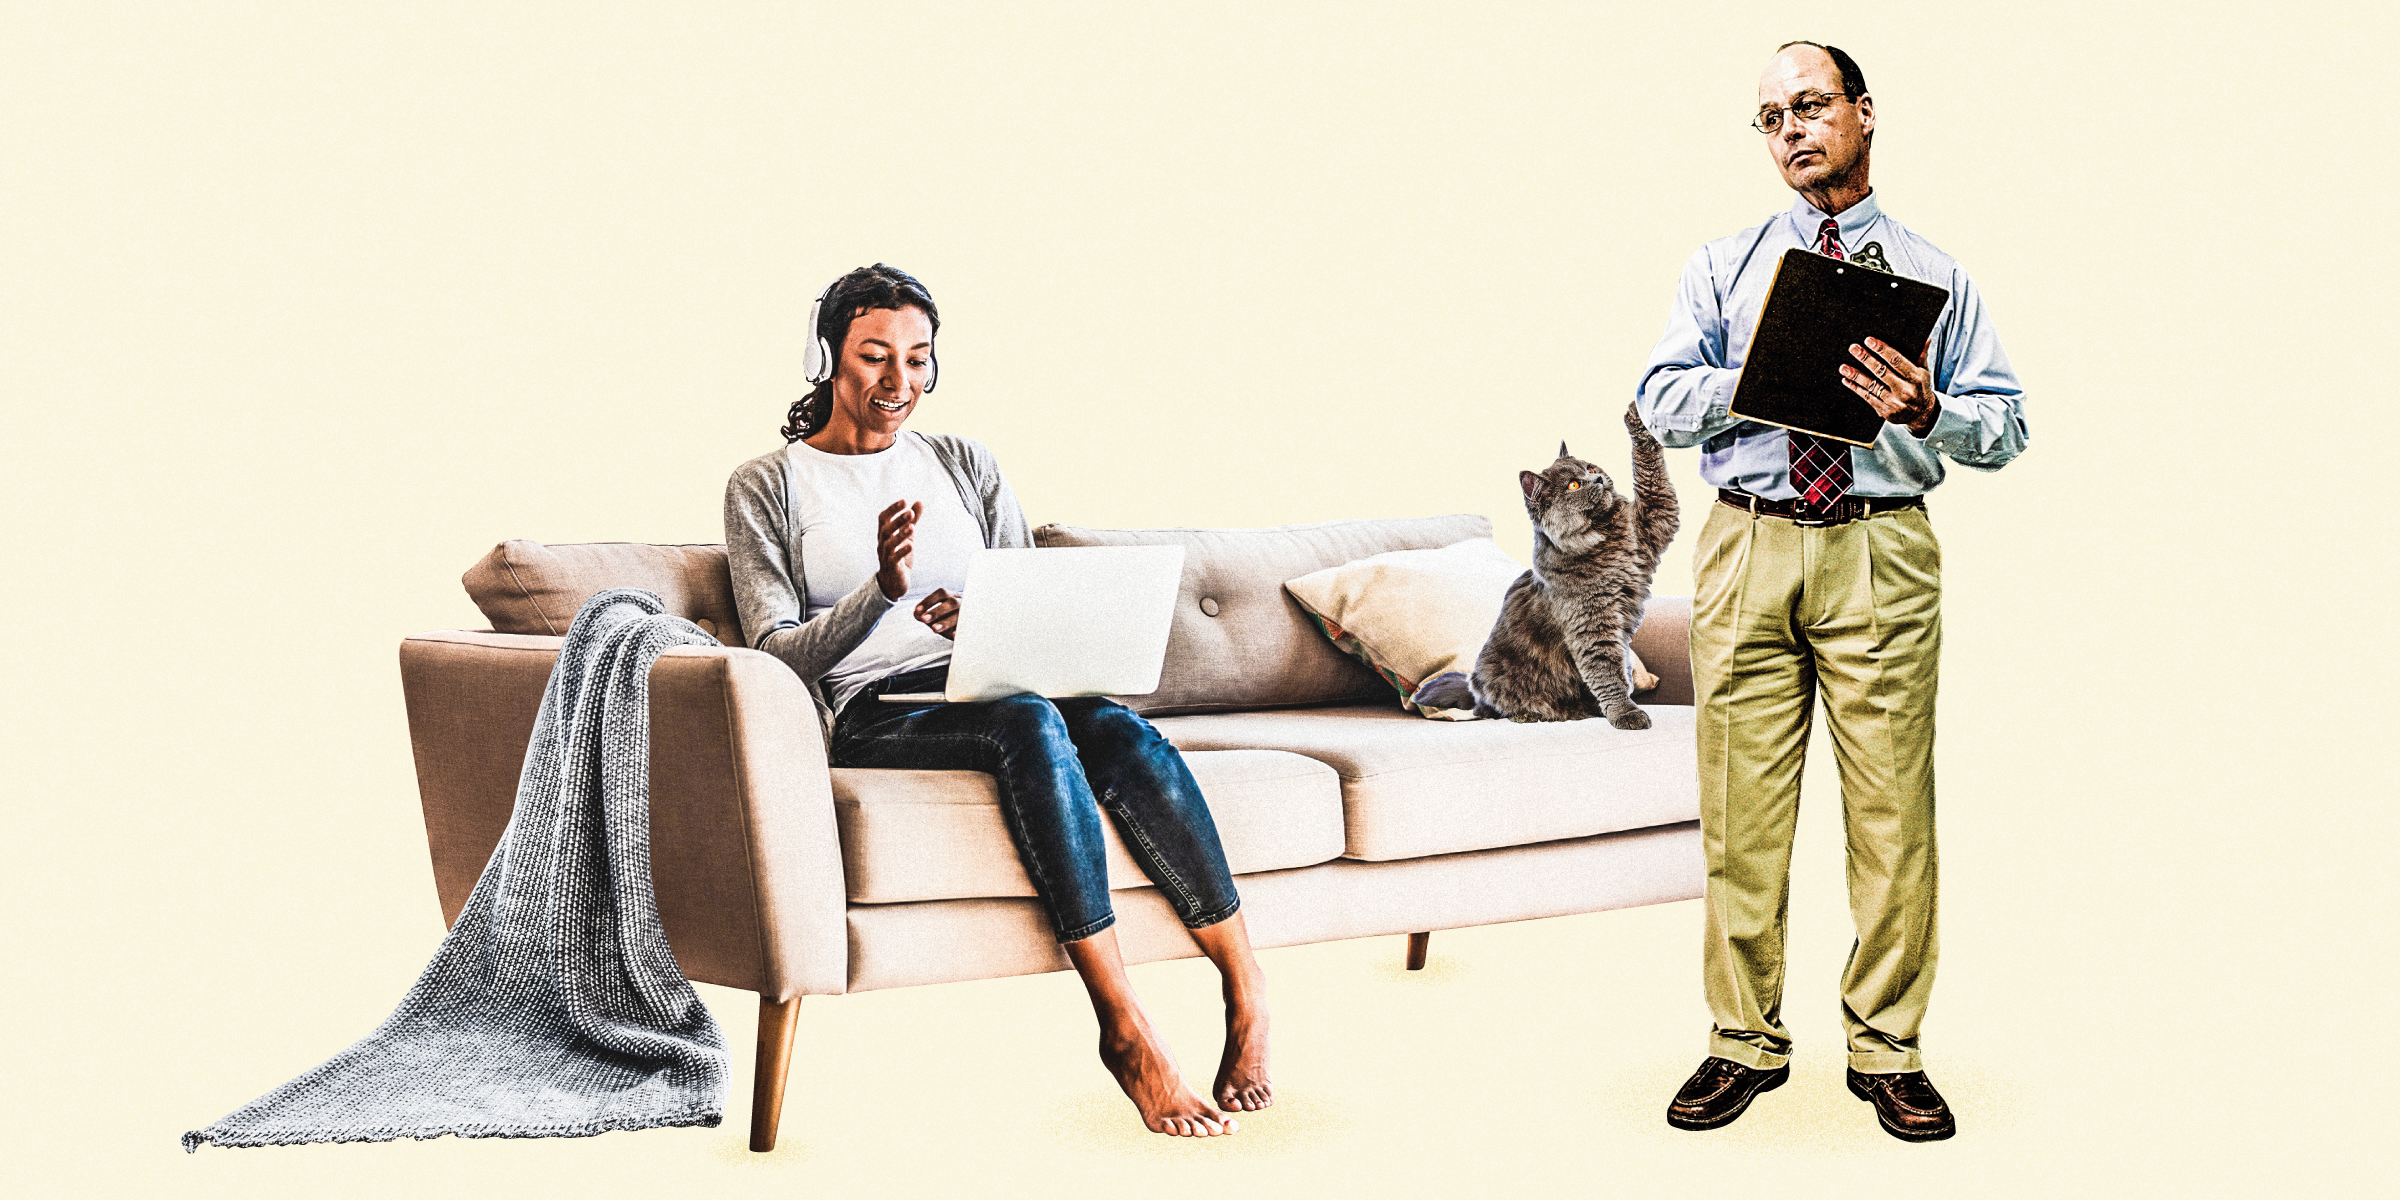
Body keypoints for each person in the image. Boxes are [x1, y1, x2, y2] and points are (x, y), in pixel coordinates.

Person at [722, 264, 1271, 1137]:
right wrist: (881, 589)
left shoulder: (961, 463)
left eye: (918, 359)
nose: (899, 383)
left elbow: (1031, 595)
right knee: (1029, 720)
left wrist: (977, 622)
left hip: (984, 679)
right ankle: (1124, 1024)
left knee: (1115, 728)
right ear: (825, 358)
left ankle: (1246, 993)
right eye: (873, 358)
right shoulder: (768, 484)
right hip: (875, 709)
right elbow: (774, 657)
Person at [1633, 43, 2028, 1142]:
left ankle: (1886, 1049)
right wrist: (1765, 371)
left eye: (1809, 106)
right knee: (1738, 815)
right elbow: (1660, 399)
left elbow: (2007, 426)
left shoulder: (1939, 277)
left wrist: (1929, 410)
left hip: (1878, 551)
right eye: (1768, 118)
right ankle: (1741, 1042)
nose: (1791, 131)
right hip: (1746, 545)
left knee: (1895, 817)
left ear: (1862, 112)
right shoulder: (1723, 266)